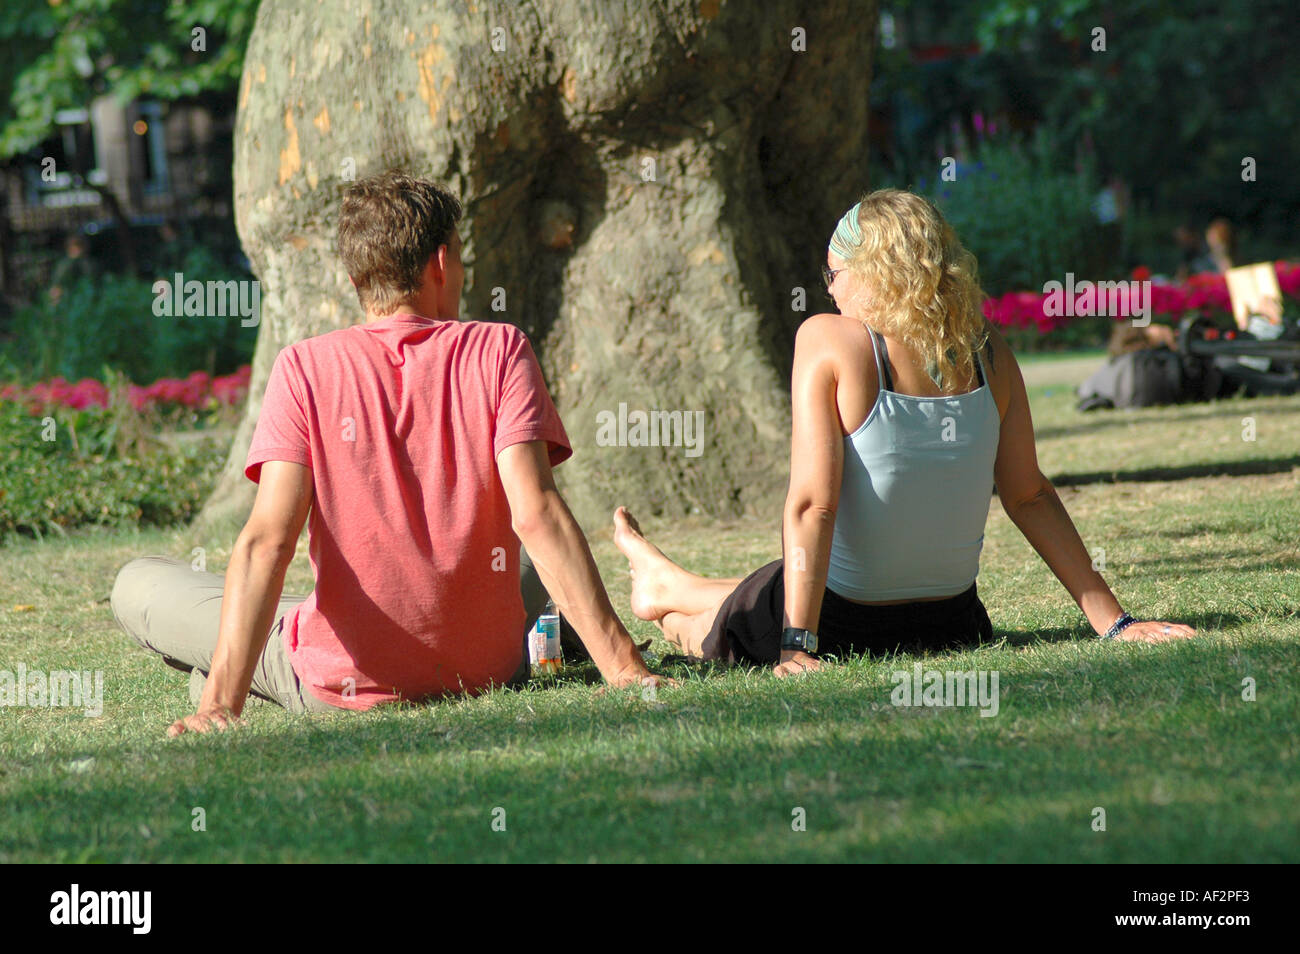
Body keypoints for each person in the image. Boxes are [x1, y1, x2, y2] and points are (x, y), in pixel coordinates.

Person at [111, 171, 663, 736]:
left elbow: (268, 541)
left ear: (356, 277)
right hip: (485, 670)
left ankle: (224, 675)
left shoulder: (304, 367)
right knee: (523, 561)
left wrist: (219, 707)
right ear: (442, 262)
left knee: (136, 582)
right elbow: (538, 516)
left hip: (345, 682)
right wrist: (624, 669)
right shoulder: (500, 349)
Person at [613, 190, 1196, 676]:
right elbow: (1029, 495)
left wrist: (796, 646)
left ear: (875, 273)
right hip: (953, 624)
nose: (830, 290)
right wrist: (1114, 623)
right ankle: (670, 582)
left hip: (836, 628)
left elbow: (814, 504)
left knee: (713, 623)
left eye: (834, 274)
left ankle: (668, 596)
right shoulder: (990, 351)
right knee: (769, 584)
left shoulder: (829, 338)